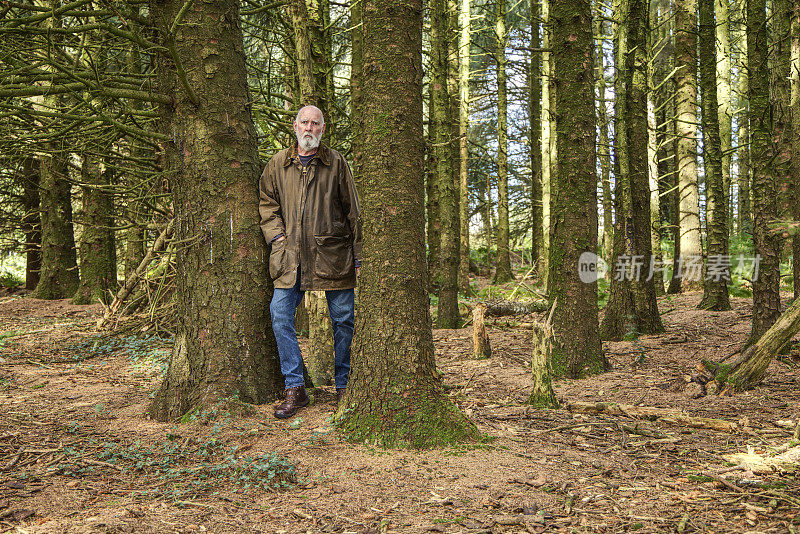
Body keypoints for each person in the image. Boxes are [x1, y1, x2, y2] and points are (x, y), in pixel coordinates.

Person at [259, 105, 362, 419]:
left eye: (315, 123)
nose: (309, 128)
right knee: (280, 315)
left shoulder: (337, 163)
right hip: (290, 257)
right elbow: (267, 204)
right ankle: (295, 387)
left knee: (343, 320)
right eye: (304, 122)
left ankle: (344, 385)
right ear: (294, 126)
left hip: (332, 255)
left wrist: (358, 255)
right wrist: (278, 238)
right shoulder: (277, 164)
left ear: (322, 128)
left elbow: (353, 211)